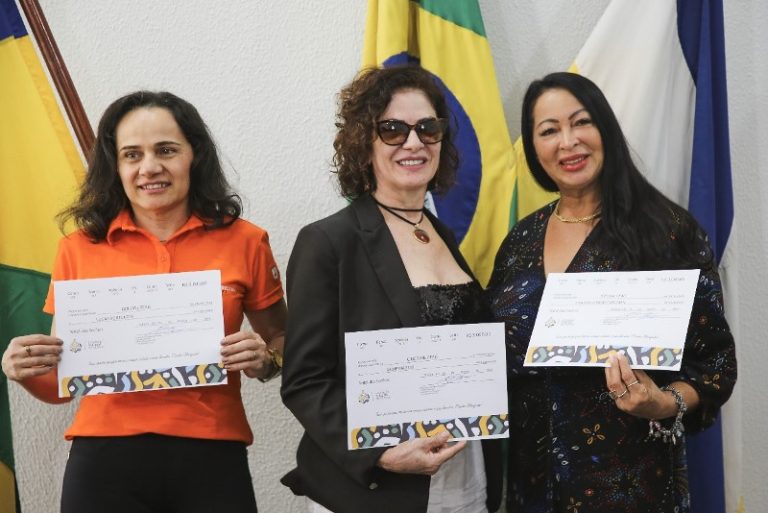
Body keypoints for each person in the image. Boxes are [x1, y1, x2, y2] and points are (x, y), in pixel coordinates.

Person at [1, 91, 287, 513]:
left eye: (166, 150)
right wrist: (22, 370)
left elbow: (284, 340)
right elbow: (62, 385)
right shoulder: (78, 249)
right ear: (114, 166)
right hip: (103, 461)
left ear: (194, 156)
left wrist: (266, 362)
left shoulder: (246, 241)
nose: (149, 167)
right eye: (132, 154)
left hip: (212, 455)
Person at [486, 72, 736, 512]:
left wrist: (662, 403)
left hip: (631, 486)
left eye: (581, 122)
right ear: (534, 148)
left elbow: (715, 365)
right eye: (549, 130)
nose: (568, 142)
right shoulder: (519, 241)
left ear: (606, 128)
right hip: (532, 487)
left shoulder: (666, 232)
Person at [280, 66, 502, 513]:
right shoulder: (328, 241)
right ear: (364, 142)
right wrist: (379, 453)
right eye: (393, 129)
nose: (414, 142)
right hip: (375, 491)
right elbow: (304, 380)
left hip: (463, 478)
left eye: (427, 128)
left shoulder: (441, 232)